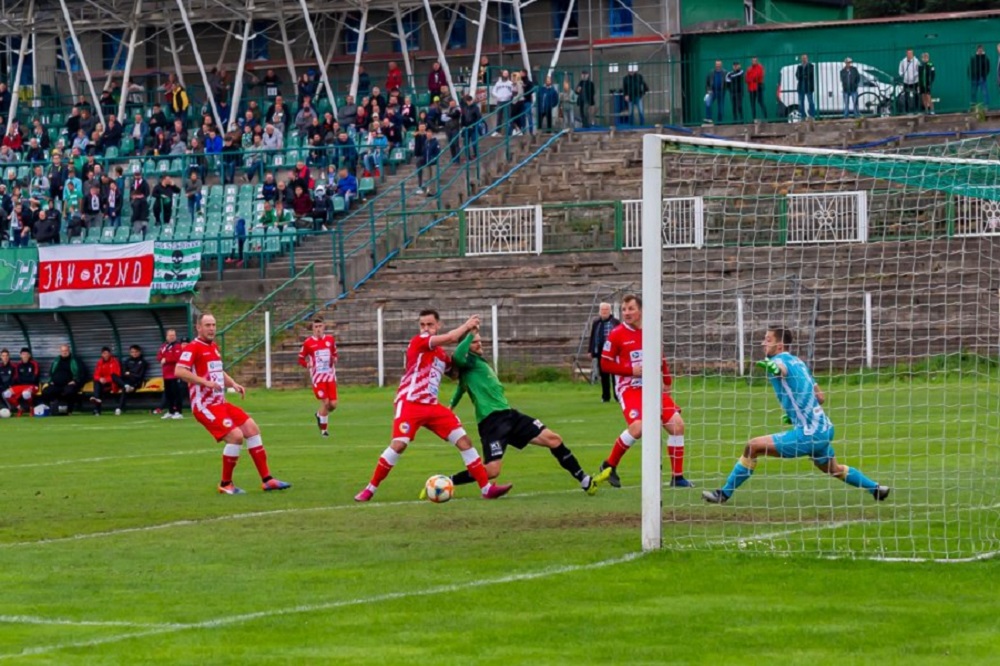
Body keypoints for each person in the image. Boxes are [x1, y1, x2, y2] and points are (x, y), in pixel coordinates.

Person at [703, 327, 890, 504]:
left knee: (753, 446)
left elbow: (781, 368)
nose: (762, 343)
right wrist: (796, 414)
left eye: (768, 340)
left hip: (809, 434)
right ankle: (876, 488)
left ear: (780, 346)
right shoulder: (799, 362)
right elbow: (820, 397)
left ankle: (723, 494)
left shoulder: (779, 361)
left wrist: (775, 369)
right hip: (824, 429)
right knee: (834, 469)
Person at [354, 310, 512, 502]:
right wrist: (468, 326)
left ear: (438, 325)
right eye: (423, 325)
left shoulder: (440, 354)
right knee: (399, 444)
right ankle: (370, 489)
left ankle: (486, 489)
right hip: (410, 402)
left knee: (465, 442)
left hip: (432, 406)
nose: (426, 328)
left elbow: (453, 373)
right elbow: (453, 336)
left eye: (430, 325)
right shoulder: (419, 341)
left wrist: (464, 355)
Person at [436, 329, 603, 496]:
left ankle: (585, 480)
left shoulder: (476, 363)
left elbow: (461, 388)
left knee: (553, 439)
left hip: (509, 415)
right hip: (492, 422)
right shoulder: (468, 361)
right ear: (466, 346)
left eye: (479, 340)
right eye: (474, 341)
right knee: (493, 471)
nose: (479, 343)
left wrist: (451, 406)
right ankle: (447, 481)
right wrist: (470, 332)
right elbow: (458, 356)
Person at [175, 313, 292, 494]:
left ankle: (267, 480)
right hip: (205, 406)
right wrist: (204, 382)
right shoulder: (193, 348)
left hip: (220, 402)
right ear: (198, 327)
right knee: (236, 436)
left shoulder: (213, 347)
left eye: (213, 324)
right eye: (207, 325)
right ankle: (225, 483)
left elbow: (218, 372)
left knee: (252, 429)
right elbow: (179, 371)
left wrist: (233, 384)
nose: (212, 328)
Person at [596, 295, 692, 488]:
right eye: (624, 309)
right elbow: (604, 364)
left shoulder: (651, 331)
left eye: (631, 309)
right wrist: (631, 371)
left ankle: (677, 477)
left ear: (640, 311)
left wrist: (666, 379)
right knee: (638, 428)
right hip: (629, 388)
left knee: (677, 426)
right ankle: (609, 464)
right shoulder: (616, 334)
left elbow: (660, 355)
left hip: (652, 388)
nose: (627, 313)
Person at [298, 317, 338, 438]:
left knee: (333, 405)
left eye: (320, 326)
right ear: (313, 329)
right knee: (326, 403)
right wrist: (307, 364)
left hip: (330, 377)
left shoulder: (330, 340)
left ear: (324, 327)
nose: (318, 329)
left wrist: (335, 359)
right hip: (318, 378)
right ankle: (324, 431)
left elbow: (335, 354)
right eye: (316, 327)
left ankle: (319, 414)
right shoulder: (308, 343)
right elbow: (300, 358)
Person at [588, 302, 619, 403]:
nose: (604, 311)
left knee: (615, 375)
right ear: (599, 311)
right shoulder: (596, 322)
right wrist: (590, 350)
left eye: (606, 309)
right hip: (601, 352)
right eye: (602, 309)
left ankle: (617, 396)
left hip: (614, 352)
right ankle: (606, 397)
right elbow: (592, 337)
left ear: (610, 311)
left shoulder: (616, 322)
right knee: (604, 375)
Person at [40, 344, 84, 410]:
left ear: (69, 351)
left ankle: (68, 410)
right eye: (62, 351)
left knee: (69, 391)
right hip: (56, 384)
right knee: (46, 391)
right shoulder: (56, 360)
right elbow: (51, 372)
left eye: (66, 350)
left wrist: (75, 381)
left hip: (69, 384)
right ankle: (48, 409)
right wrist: (51, 381)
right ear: (60, 352)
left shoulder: (75, 360)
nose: (64, 352)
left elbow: (82, 373)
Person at [113, 345, 148, 415]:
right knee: (114, 376)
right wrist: (129, 374)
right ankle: (126, 386)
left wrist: (130, 373)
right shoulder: (127, 361)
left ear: (139, 352)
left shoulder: (143, 362)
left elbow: (140, 376)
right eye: (132, 352)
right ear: (130, 353)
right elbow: (123, 373)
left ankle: (119, 408)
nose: (134, 353)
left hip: (136, 381)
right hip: (126, 381)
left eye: (136, 352)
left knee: (125, 387)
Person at [157, 329, 185, 419]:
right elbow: (159, 356)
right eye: (170, 335)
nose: (172, 337)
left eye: (173, 335)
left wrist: (166, 359)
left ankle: (178, 411)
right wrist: (162, 358)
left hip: (175, 374)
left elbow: (177, 357)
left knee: (176, 393)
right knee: (168, 394)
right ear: (166, 336)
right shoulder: (164, 346)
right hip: (166, 374)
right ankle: (170, 411)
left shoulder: (177, 346)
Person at [6, 347, 39, 415]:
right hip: (22, 386)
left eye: (26, 354)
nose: (25, 356)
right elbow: (17, 378)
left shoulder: (34, 364)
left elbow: (34, 378)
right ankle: (20, 408)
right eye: (23, 354)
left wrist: (23, 379)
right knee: (6, 393)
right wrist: (27, 379)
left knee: (26, 393)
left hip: (33, 386)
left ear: (29, 355)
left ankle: (31, 407)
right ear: (20, 355)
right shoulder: (18, 365)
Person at [90, 346, 120, 416]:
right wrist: (100, 379)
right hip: (102, 383)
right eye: (103, 353)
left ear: (110, 354)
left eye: (106, 353)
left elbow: (116, 375)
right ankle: (97, 401)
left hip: (112, 383)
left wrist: (106, 379)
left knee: (98, 388)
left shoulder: (114, 362)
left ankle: (97, 408)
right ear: (101, 354)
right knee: (97, 382)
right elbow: (95, 375)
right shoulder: (100, 362)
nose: (105, 355)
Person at [899, 49, 919, 114]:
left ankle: (916, 110)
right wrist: (904, 75)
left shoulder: (916, 61)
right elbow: (900, 71)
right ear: (906, 54)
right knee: (906, 95)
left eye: (911, 53)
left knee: (916, 95)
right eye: (908, 53)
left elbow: (918, 70)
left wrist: (914, 76)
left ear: (913, 54)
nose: (910, 55)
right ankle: (907, 110)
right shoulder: (903, 61)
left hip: (915, 81)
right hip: (906, 81)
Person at [796, 54, 816, 119]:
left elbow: (810, 74)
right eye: (803, 58)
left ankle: (812, 115)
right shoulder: (799, 67)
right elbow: (797, 75)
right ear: (801, 59)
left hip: (808, 87)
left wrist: (802, 75)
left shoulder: (811, 66)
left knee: (810, 101)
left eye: (805, 58)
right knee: (801, 102)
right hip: (801, 86)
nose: (804, 59)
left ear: (807, 59)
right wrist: (803, 75)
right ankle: (803, 116)